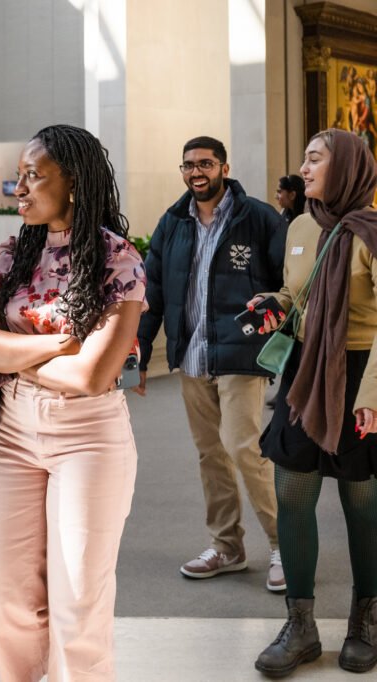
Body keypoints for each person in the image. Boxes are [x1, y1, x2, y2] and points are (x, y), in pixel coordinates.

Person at [0, 124, 146, 681]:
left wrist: (14, 352)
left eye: (32, 175)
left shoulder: (118, 259)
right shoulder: (13, 252)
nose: (18, 188)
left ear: (73, 183)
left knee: (78, 600)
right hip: (13, 431)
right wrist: (53, 346)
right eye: (18, 176)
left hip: (89, 435)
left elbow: (94, 377)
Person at [135, 136, 287, 590]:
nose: (195, 172)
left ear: (224, 167)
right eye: (188, 165)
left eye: (205, 163)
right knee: (211, 455)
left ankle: (286, 546)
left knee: (244, 446)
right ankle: (227, 546)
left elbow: (288, 284)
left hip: (241, 350)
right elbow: (153, 291)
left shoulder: (257, 218)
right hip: (193, 354)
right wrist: (141, 353)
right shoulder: (173, 222)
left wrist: (278, 323)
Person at [253, 128, 377, 677]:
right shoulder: (302, 225)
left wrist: (372, 395)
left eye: (314, 159)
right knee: (293, 493)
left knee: (363, 504)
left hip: (359, 374)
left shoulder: (373, 231)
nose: (302, 168)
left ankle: (366, 620)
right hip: (307, 372)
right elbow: (297, 292)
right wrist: (275, 304)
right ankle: (300, 625)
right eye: (302, 157)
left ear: (347, 167)